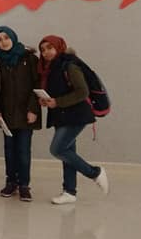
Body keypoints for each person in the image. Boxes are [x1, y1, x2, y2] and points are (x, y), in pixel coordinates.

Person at [37, 35, 110, 204]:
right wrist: (47, 100)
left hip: (76, 115)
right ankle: (69, 192)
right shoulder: (51, 68)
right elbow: (59, 92)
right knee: (67, 152)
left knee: (57, 149)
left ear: (59, 47)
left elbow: (82, 92)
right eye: (43, 49)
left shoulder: (69, 65)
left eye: (49, 48)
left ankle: (95, 172)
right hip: (62, 115)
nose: (46, 52)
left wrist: (57, 102)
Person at [0, 26, 41, 201]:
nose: (3, 42)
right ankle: (11, 182)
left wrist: (33, 109)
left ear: (13, 38)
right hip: (6, 115)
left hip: (26, 113)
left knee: (23, 151)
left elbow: (37, 85)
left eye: (6, 37)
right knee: (9, 151)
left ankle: (24, 185)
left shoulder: (29, 58)